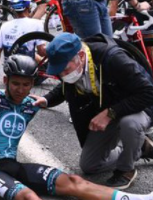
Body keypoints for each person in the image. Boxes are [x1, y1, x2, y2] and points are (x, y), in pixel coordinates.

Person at [0, 54, 153, 200]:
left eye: (26, 84)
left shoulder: (30, 104)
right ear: (5, 81)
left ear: (32, 84)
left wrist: (47, 100)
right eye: (15, 83)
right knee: (29, 198)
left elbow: (65, 90)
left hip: (13, 165)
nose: (20, 89)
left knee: (73, 181)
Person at [37, 32, 153, 189]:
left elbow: (148, 92)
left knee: (130, 124)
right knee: (90, 165)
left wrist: (110, 113)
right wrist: (46, 100)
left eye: (64, 69)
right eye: (59, 72)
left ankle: (126, 170)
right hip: (111, 109)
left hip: (140, 105)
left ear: (81, 56)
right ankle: (142, 148)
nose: (63, 75)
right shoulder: (74, 65)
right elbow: (65, 86)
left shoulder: (112, 58)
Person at [0, 0, 45, 83]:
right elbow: (41, 51)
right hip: (28, 72)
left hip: (10, 72)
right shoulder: (37, 23)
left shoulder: (5, 25)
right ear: (28, 7)